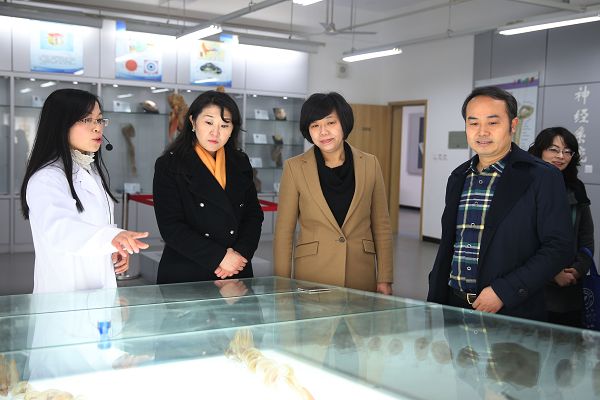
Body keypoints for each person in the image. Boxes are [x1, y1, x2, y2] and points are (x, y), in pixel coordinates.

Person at [427, 86, 574, 321]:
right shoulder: (458, 176)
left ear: (513, 125)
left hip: (512, 310)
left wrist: (504, 291)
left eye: (493, 122)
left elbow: (559, 247)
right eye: (473, 123)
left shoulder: (542, 176)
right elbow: (450, 245)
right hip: (454, 305)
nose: (482, 132)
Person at [20, 88, 149, 294]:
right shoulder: (47, 178)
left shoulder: (90, 170)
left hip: (100, 291)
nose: (97, 127)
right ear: (61, 124)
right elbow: (62, 230)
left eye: (99, 119)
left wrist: (112, 248)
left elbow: (96, 225)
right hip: (64, 296)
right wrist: (111, 237)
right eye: (87, 120)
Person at [273, 92, 393, 294]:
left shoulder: (370, 164)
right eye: (315, 125)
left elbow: (381, 225)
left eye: (330, 122)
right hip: (313, 274)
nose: (323, 132)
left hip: (360, 273)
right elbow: (284, 231)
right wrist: (282, 285)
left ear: (343, 123)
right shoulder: (294, 168)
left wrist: (385, 278)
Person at [153, 90, 263, 283]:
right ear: (193, 121)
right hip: (187, 271)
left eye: (224, 125)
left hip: (235, 268)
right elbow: (171, 227)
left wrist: (240, 254)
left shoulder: (240, 162)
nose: (216, 132)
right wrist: (219, 258)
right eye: (209, 122)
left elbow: (253, 215)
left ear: (233, 129)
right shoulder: (169, 165)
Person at [528, 127, 594, 327]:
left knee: (568, 340)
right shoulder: (525, 186)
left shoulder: (576, 188)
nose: (560, 156)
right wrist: (552, 273)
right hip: (533, 288)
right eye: (553, 149)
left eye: (567, 151)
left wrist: (578, 269)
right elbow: (521, 241)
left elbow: (586, 236)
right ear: (539, 151)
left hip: (570, 288)